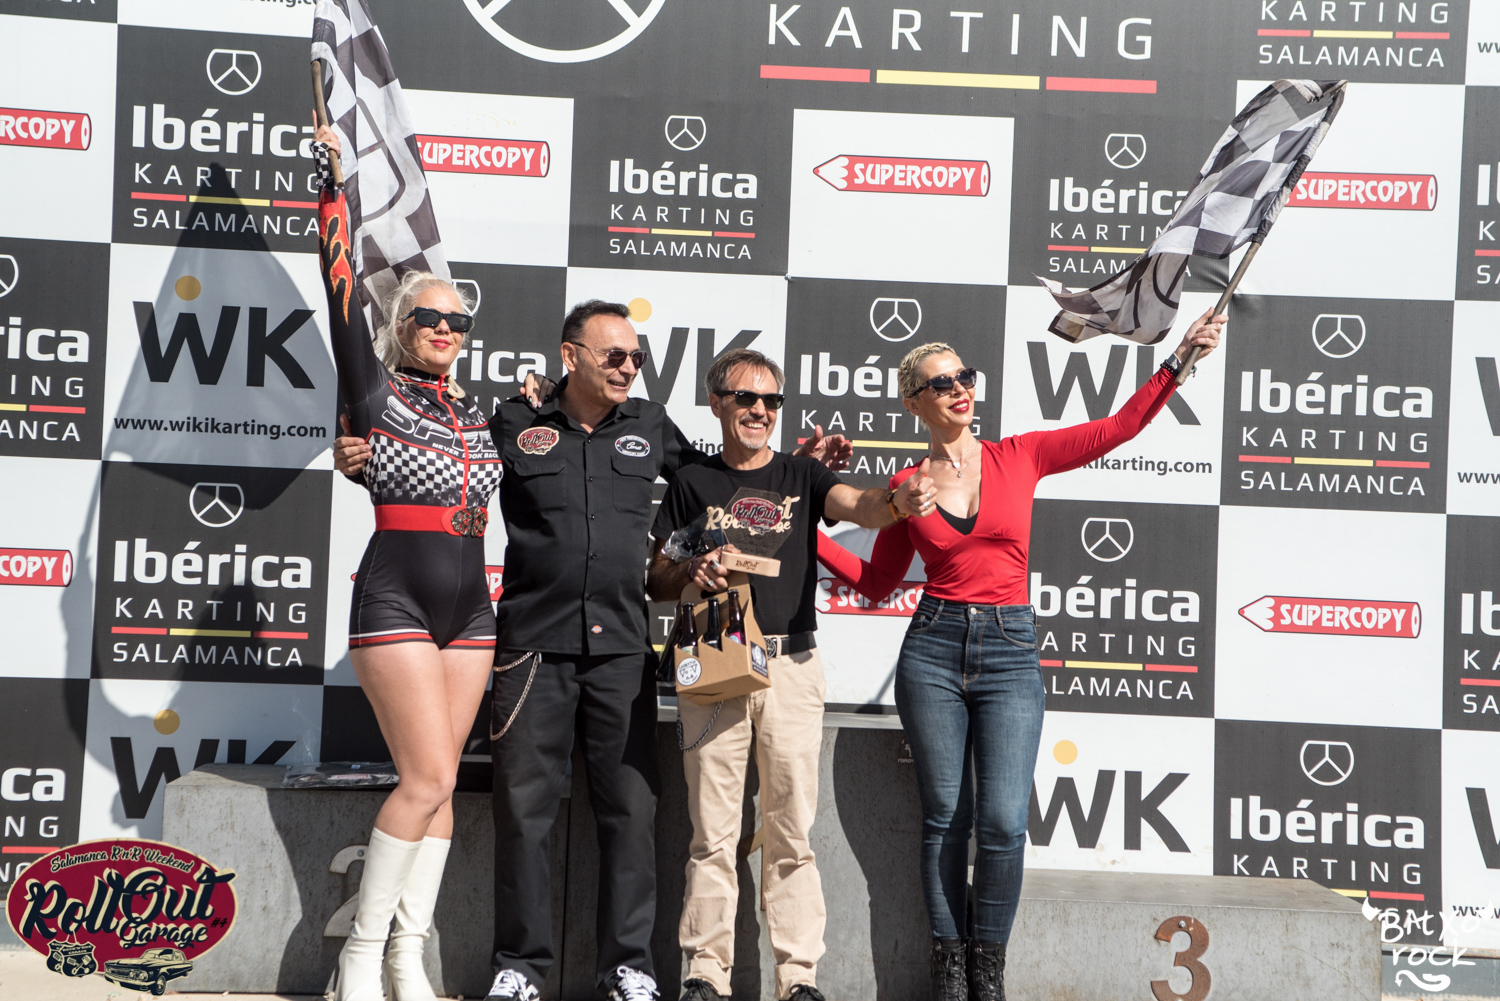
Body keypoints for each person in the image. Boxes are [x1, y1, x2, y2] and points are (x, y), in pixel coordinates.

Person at [333, 303, 850, 1001]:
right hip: (530, 648)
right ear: (569, 356)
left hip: (623, 650)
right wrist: (360, 461)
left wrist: (794, 469)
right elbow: (443, 465)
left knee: (631, 814)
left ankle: (628, 967)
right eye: (614, 356)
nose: (628, 368)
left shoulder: (651, 424)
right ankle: (519, 967)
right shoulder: (513, 420)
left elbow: (716, 481)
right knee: (524, 814)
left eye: (637, 357)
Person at [814, 313, 1224, 1001]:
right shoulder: (907, 484)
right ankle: (950, 967)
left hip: (1009, 650)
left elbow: (1118, 427)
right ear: (913, 401)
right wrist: (810, 536)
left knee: (1004, 823)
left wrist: (1180, 359)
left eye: (964, 376)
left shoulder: (1020, 455)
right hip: (933, 649)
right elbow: (878, 583)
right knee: (946, 818)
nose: (959, 389)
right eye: (940, 382)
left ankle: (988, 966)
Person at [645, 349, 935, 1001]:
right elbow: (656, 578)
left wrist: (896, 501)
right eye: (745, 398)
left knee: (791, 830)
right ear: (717, 402)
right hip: (715, 652)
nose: (759, 410)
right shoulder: (691, 481)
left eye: (771, 400)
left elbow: (858, 504)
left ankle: (799, 977)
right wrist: (691, 567)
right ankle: (705, 973)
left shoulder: (802, 472)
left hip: (793, 664)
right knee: (712, 831)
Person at [314, 127, 501, 1001]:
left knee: (443, 786)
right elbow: (340, 292)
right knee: (424, 776)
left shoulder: (480, 414)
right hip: (395, 597)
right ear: (403, 326)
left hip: (473, 610)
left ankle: (405, 956)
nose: (447, 329)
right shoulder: (375, 394)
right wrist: (334, 187)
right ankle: (358, 954)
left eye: (459, 321)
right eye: (431, 317)